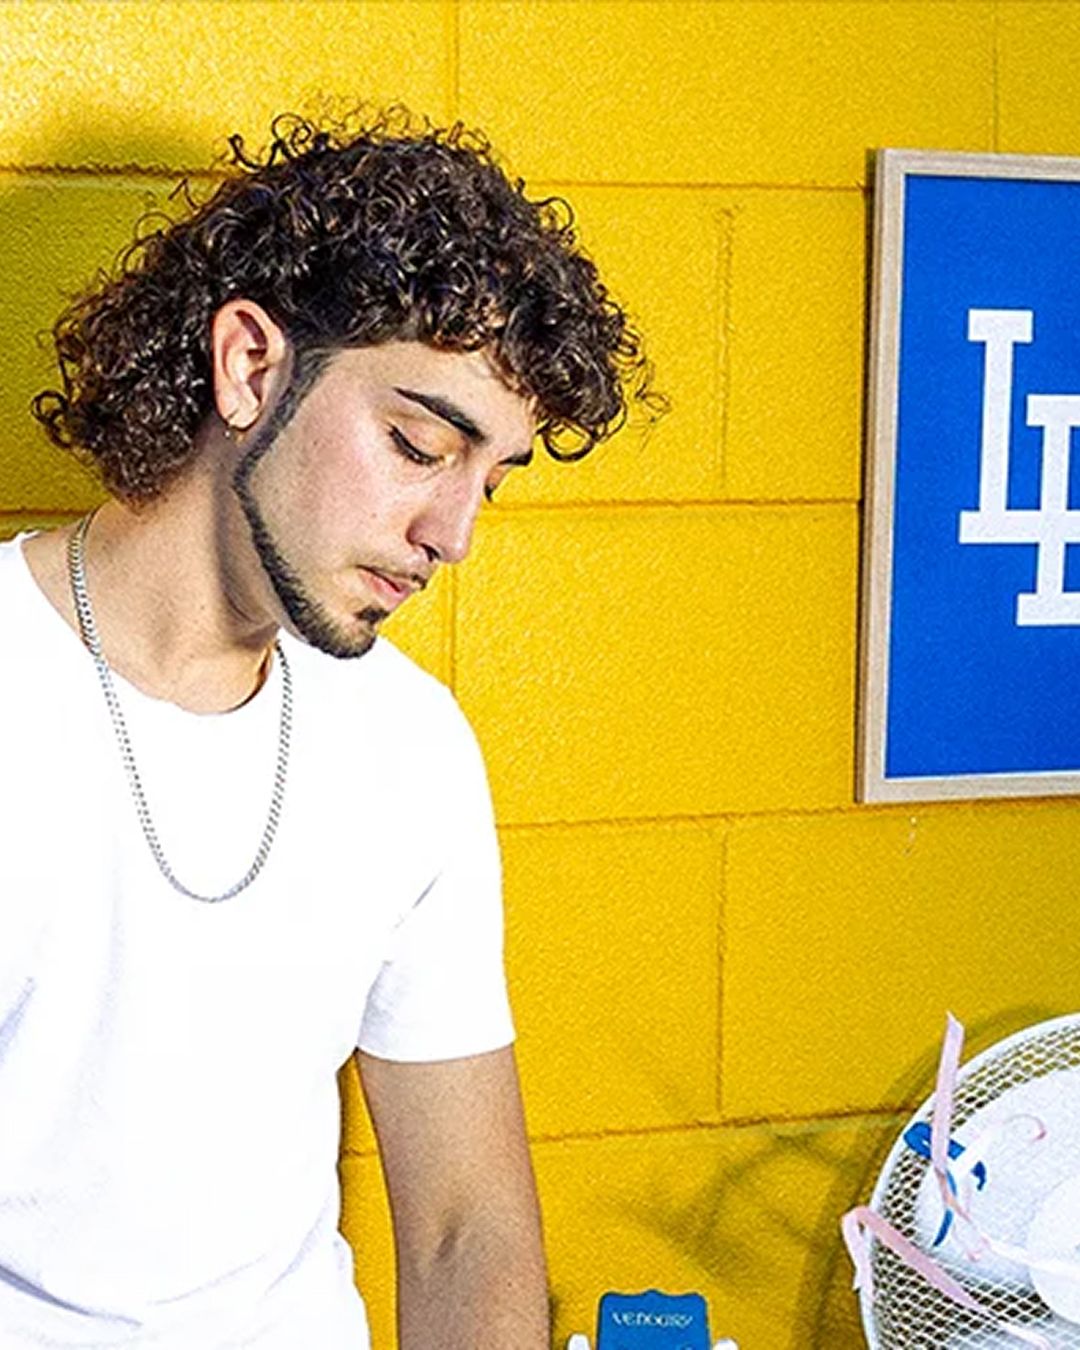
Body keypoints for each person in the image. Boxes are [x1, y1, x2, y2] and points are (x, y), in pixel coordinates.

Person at [0, 110, 655, 1349]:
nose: (453, 535)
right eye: (420, 445)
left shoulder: (409, 746)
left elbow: (466, 1227)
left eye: (489, 481)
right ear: (251, 366)